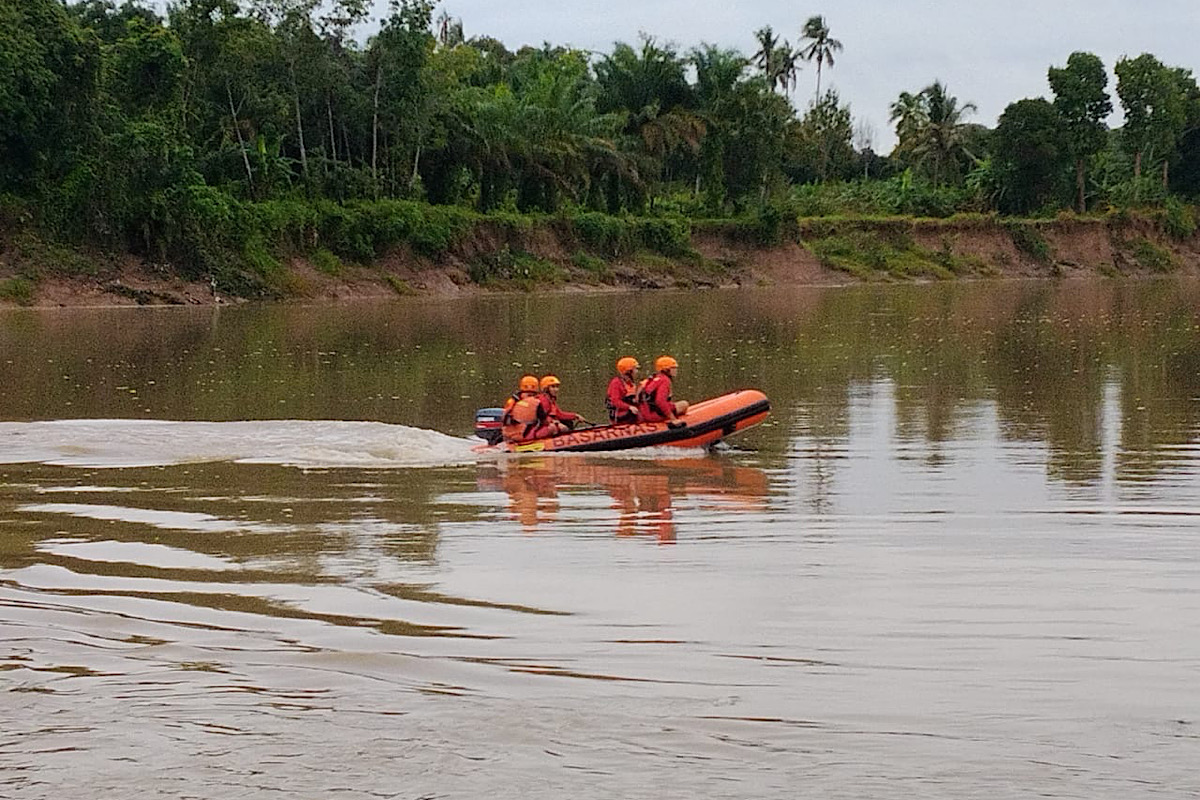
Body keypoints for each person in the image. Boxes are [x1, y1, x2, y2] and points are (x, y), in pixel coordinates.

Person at [531, 375, 588, 439]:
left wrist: (575, 416)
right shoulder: (543, 400)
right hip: (540, 428)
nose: (556, 389)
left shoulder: (550, 400)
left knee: (568, 422)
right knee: (563, 427)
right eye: (553, 387)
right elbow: (542, 418)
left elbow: (559, 414)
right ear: (546, 388)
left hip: (548, 425)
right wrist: (556, 423)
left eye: (557, 387)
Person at [637, 355, 688, 426]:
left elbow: (639, 395)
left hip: (645, 413)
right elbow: (660, 401)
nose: (675, 370)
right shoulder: (665, 380)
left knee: (672, 404)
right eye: (673, 368)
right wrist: (673, 419)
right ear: (666, 369)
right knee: (684, 404)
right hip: (655, 415)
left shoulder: (652, 378)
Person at [501, 374, 541, 443]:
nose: (530, 398)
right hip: (515, 432)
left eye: (533, 394)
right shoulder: (512, 402)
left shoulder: (536, 402)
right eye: (528, 394)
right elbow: (505, 419)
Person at [605, 357, 641, 425]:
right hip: (620, 416)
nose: (636, 371)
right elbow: (615, 401)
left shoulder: (630, 383)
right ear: (629, 371)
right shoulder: (616, 383)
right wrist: (629, 407)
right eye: (635, 369)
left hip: (631, 414)